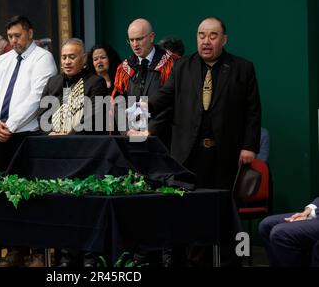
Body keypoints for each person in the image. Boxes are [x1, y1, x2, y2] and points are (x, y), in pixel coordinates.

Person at [147, 17, 262, 266]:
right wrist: (138, 107)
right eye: (201, 35)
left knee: (224, 217)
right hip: (188, 155)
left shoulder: (243, 68)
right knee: (188, 217)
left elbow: (253, 111)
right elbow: (164, 98)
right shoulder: (183, 66)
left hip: (225, 155)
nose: (206, 41)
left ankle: (230, 262)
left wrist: (250, 146)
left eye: (212, 36)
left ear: (224, 39)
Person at [0, 15, 57, 267]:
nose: (13, 41)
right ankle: (16, 251)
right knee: (7, 195)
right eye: (10, 36)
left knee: (31, 195)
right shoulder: (2, 61)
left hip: (28, 135)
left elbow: (37, 98)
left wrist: (10, 126)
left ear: (30, 33)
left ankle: (37, 252)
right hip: (1, 135)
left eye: (18, 35)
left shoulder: (43, 58)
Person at [38, 38, 108, 267]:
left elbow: (94, 120)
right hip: (58, 160)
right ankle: (66, 259)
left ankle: (90, 259)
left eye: (72, 57)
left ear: (84, 59)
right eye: (64, 57)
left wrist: (66, 136)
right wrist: (53, 131)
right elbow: (43, 117)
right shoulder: (54, 82)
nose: (67, 62)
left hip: (86, 159)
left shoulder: (95, 82)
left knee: (86, 211)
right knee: (63, 212)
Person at [113, 18, 179, 147]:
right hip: (132, 139)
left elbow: (172, 101)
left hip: (164, 139)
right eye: (131, 40)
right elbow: (118, 102)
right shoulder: (124, 68)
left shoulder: (171, 63)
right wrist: (127, 131)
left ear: (151, 37)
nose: (135, 44)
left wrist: (150, 131)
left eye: (139, 39)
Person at [259, 197, 319, 266]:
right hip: (315, 214)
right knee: (266, 224)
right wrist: (305, 213)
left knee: (280, 233)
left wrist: (312, 215)